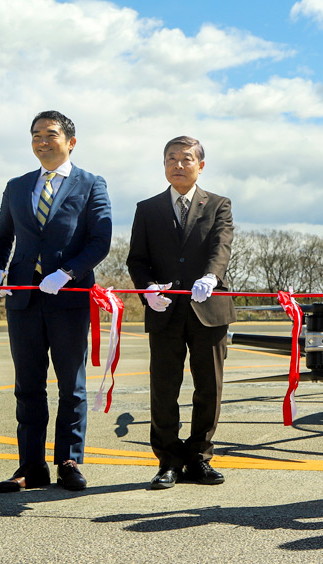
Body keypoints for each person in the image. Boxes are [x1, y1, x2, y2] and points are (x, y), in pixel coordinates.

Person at [0, 110, 112, 492]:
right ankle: (30, 466)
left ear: (70, 141)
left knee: (70, 386)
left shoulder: (91, 183)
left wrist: (68, 272)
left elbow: (99, 240)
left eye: (51, 134)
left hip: (69, 298)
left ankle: (68, 461)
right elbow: (0, 238)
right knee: (27, 385)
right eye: (36, 134)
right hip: (23, 299)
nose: (43, 141)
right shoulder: (17, 185)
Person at [127, 136, 236, 490]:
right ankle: (168, 461)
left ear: (200, 165)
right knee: (163, 389)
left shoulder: (219, 204)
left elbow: (221, 245)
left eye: (186, 158)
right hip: (165, 311)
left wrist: (210, 276)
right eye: (170, 158)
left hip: (209, 308)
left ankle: (200, 457)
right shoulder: (147, 208)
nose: (178, 164)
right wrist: (147, 290)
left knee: (209, 388)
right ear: (163, 165)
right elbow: (137, 259)